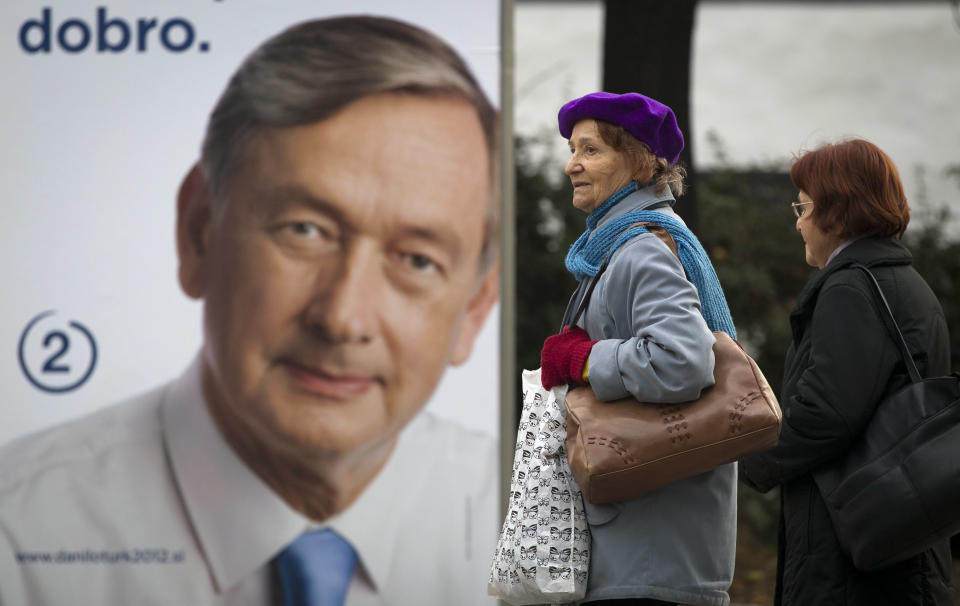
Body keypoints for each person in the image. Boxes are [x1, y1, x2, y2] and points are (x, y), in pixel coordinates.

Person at [0, 15, 500, 605]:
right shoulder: (17, 539)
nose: (343, 318)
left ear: (473, 309)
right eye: (305, 230)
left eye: (416, 261)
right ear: (198, 234)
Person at [538, 91, 737, 606]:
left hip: (651, 554)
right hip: (650, 546)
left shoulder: (641, 249)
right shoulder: (622, 245)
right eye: (572, 149)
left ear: (639, 161)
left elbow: (683, 361)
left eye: (590, 150)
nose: (571, 165)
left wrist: (583, 360)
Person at [739, 139, 955, 605]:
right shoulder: (906, 284)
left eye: (803, 206)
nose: (798, 221)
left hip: (850, 558)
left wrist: (748, 459)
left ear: (836, 210)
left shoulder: (850, 287)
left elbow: (827, 411)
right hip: (905, 542)